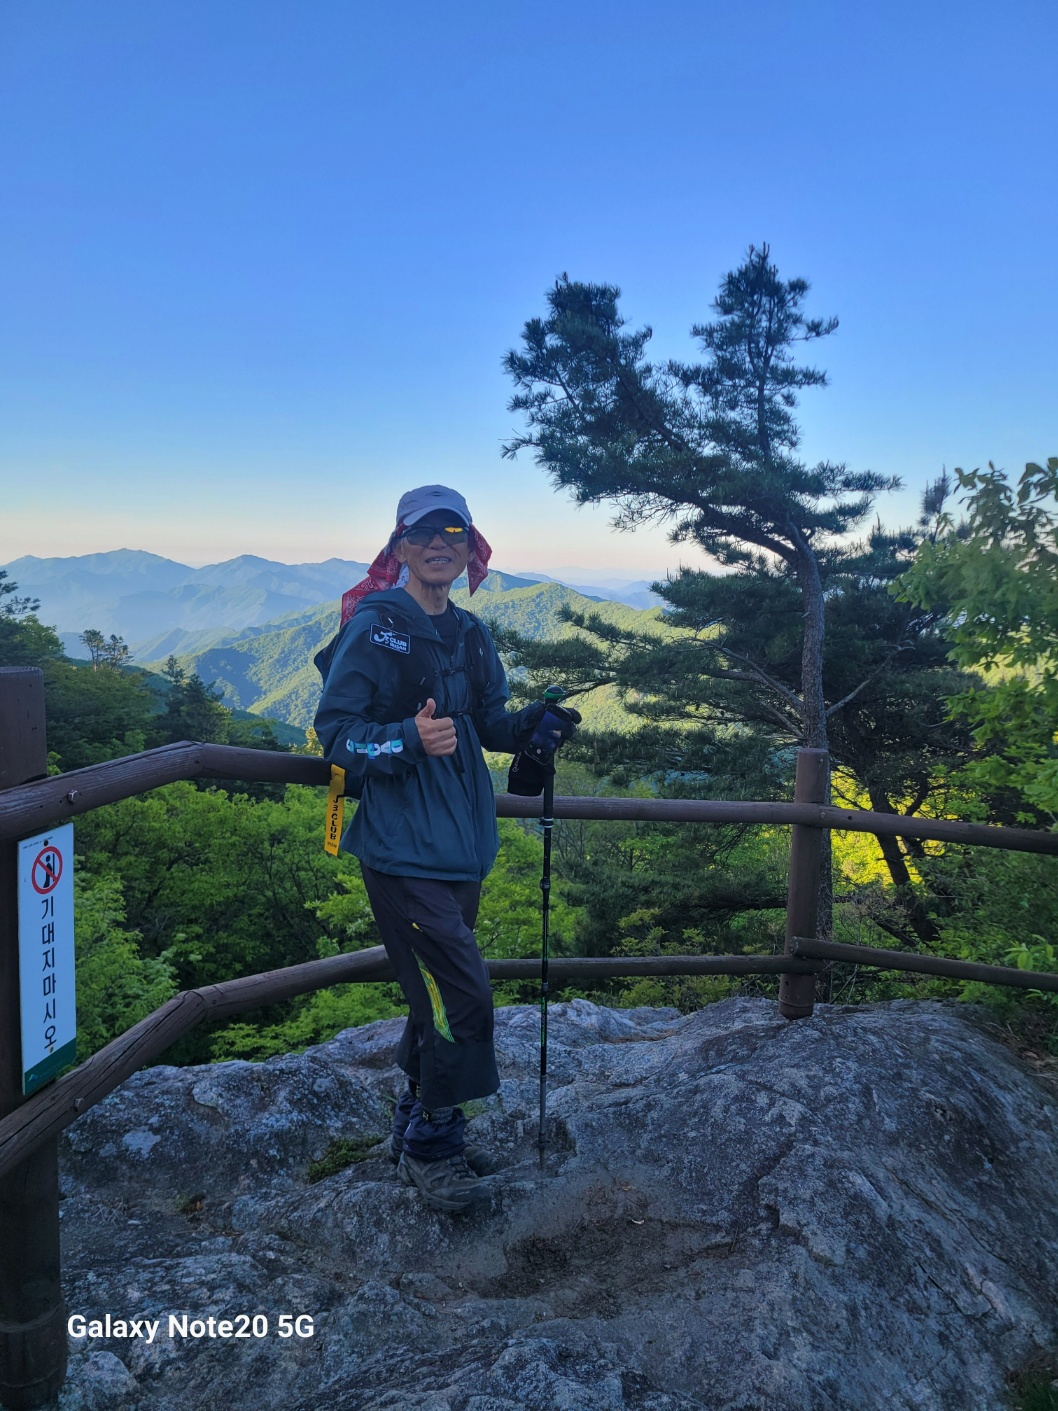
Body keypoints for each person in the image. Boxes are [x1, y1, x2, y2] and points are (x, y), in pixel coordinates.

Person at [313, 485, 572, 1212]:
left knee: (435, 994)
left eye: (453, 533)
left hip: (462, 846)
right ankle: (435, 1146)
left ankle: (414, 1123)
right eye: (424, 533)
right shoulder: (377, 628)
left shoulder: (470, 633)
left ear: (468, 548)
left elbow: (487, 723)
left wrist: (533, 725)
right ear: (400, 547)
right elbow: (335, 736)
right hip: (401, 851)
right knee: (464, 996)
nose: (439, 544)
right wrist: (406, 737)